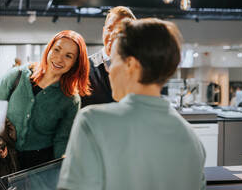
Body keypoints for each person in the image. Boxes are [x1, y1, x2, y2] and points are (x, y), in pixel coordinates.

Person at [58, 18, 206, 190]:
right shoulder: (192, 141)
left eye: (112, 61)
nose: (108, 70)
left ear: (130, 64)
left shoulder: (93, 122)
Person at [0, 30, 91, 170]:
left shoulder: (70, 99)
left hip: (40, 166)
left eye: (68, 56)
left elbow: (62, 140)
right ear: (49, 49)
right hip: (6, 157)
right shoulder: (16, 76)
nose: (59, 59)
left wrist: (64, 168)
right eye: (57, 50)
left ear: (75, 63)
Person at [81, 6, 136, 108]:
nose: (112, 35)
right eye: (110, 28)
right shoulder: (83, 66)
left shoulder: (138, 69)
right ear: (103, 31)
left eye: (120, 30)